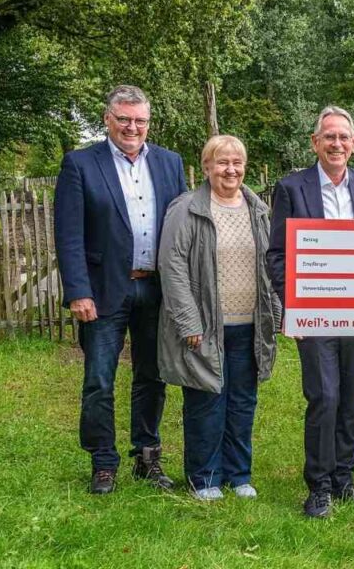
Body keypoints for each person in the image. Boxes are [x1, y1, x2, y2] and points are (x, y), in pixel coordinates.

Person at [54, 85, 187, 494]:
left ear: (149, 122)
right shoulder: (80, 164)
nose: (133, 127)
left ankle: (147, 457)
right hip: (104, 290)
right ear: (108, 119)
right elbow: (69, 234)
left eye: (140, 120)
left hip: (156, 289)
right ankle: (103, 462)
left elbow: (182, 227)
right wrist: (78, 291)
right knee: (99, 379)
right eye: (124, 119)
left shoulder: (169, 163)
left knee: (153, 376)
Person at [267, 106, 354, 518]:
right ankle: (317, 486)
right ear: (315, 142)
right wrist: (291, 306)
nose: (336, 144)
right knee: (325, 396)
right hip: (314, 311)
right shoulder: (292, 187)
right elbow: (277, 254)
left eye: (343, 137)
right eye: (328, 137)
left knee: (350, 397)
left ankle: (344, 479)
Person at [157, 135, 281, 500]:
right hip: (206, 326)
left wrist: (275, 313)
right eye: (222, 162)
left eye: (237, 162)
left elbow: (268, 265)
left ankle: (238, 475)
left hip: (249, 325)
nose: (231, 169)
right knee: (206, 402)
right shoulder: (187, 208)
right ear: (207, 166)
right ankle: (205, 478)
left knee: (243, 402)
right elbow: (172, 266)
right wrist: (189, 321)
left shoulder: (257, 208)